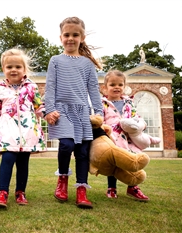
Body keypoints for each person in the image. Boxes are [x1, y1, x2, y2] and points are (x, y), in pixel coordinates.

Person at [44, 17, 103, 209]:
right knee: (66, 145)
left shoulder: (87, 64)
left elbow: (93, 89)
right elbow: (50, 87)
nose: (71, 38)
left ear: (82, 37)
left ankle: (81, 190)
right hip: (62, 111)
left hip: (82, 113)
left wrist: (99, 112)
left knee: (83, 152)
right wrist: (49, 110)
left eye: (75, 35)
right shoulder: (55, 61)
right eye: (67, 35)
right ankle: (62, 179)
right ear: (61, 37)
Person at [0, 48, 47, 208]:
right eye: (9, 67)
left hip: (27, 132)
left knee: (23, 163)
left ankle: (20, 192)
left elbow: (39, 106)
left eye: (17, 67)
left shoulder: (31, 87)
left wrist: (47, 115)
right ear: (3, 69)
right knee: (7, 159)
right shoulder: (0, 89)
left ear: (24, 69)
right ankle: (2, 193)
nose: (13, 70)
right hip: (7, 132)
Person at [101, 70, 149, 201]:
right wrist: (104, 131)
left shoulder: (129, 103)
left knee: (132, 161)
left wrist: (141, 125)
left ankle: (133, 187)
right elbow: (100, 120)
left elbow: (135, 117)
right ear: (105, 87)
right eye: (112, 84)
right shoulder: (103, 104)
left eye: (120, 85)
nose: (117, 87)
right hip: (112, 138)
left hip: (129, 139)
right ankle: (112, 188)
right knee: (114, 164)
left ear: (124, 86)